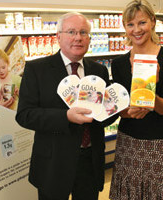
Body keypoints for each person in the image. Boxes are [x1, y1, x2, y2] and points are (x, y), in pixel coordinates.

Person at [15, 12, 115, 200]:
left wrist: (116, 110)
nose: (78, 37)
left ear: (89, 38)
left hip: (89, 161)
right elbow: (25, 115)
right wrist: (66, 117)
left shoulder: (98, 70)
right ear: (58, 37)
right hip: (53, 163)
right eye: (71, 32)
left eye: (83, 32)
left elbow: (103, 116)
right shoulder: (37, 69)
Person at [109, 0, 163, 199]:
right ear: (125, 27)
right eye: (130, 24)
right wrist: (127, 110)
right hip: (128, 140)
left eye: (142, 23)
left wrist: (151, 91)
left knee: (156, 191)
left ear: (152, 22)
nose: (136, 30)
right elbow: (121, 106)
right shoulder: (119, 63)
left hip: (159, 140)